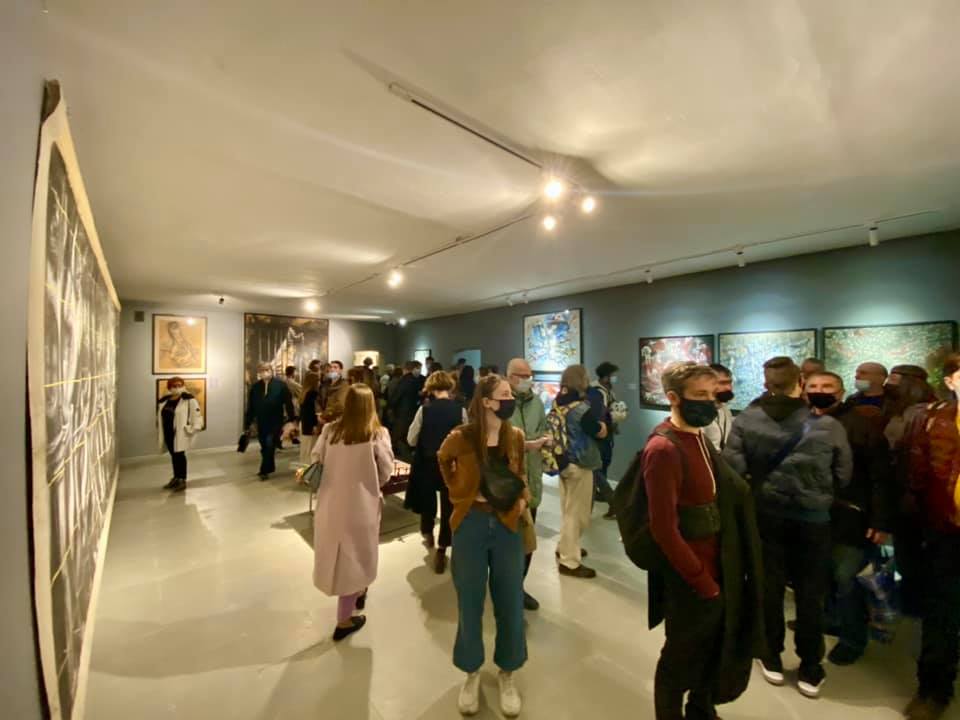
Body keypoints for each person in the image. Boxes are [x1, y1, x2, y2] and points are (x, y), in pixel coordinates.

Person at [723, 356, 852, 699]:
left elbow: (733, 469)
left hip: (765, 514)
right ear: (800, 383)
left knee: (769, 587)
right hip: (813, 518)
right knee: (811, 592)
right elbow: (844, 474)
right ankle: (811, 665)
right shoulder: (827, 425)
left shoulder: (746, 420)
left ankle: (771, 656)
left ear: (766, 384)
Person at [642, 361, 763, 720]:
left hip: (717, 565)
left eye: (712, 394)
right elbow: (664, 529)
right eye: (699, 395)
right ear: (673, 397)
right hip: (691, 575)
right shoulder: (664, 448)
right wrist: (702, 581)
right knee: (678, 659)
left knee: (712, 648)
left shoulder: (698, 438)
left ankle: (701, 708)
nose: (710, 402)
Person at [437, 374, 531, 717]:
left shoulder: (514, 436)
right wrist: (460, 493)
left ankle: (508, 671)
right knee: (470, 599)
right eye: (504, 394)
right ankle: (471, 671)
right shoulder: (461, 437)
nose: (510, 399)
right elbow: (443, 461)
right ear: (487, 401)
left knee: (510, 600)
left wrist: (523, 500)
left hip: (507, 524)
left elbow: (520, 473)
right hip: (471, 524)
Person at [806, 371, 893, 666]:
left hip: (851, 515)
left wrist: (880, 521)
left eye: (827, 386)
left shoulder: (861, 427)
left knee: (847, 579)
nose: (820, 391)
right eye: (813, 386)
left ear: (841, 392)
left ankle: (853, 638)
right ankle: (832, 620)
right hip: (812, 513)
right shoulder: (800, 422)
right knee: (822, 574)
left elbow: (881, 477)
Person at [310, 384, 395, 641]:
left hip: (330, 503)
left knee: (339, 556)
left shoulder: (330, 431)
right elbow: (386, 470)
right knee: (357, 555)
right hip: (362, 504)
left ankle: (356, 593)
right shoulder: (377, 434)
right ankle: (344, 619)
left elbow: (316, 459)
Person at [904, 353, 960, 720]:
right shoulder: (932, 421)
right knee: (942, 612)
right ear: (951, 381)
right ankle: (933, 690)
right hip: (946, 531)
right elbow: (916, 475)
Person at [883, 365, 936, 618]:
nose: (888, 383)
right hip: (899, 489)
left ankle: (918, 606)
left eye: (894, 379)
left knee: (914, 554)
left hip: (913, 492)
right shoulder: (899, 410)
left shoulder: (922, 413)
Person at [406, 371, 469, 573]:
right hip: (451, 464)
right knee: (449, 505)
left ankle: (427, 532)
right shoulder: (460, 410)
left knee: (427, 499)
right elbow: (465, 438)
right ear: (450, 387)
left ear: (431, 388)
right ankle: (443, 547)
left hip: (427, 462)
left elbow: (411, 439)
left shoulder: (424, 410)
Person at [552, 364, 607, 579]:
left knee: (567, 510)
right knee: (578, 515)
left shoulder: (558, 402)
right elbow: (598, 431)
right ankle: (569, 561)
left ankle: (565, 546)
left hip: (563, 462)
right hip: (581, 464)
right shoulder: (581, 410)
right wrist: (604, 426)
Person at [507, 358, 549, 611]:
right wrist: (522, 445)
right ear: (509, 376)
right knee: (507, 541)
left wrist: (545, 441)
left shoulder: (536, 403)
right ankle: (507, 587)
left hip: (532, 479)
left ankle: (518, 587)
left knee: (527, 541)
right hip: (507, 482)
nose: (526, 380)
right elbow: (491, 440)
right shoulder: (500, 402)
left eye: (529, 375)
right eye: (521, 375)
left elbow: (543, 429)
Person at [245, 362, 296, 480]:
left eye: (267, 369)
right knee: (264, 445)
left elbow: (288, 403)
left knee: (269, 443)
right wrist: (248, 422)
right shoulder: (255, 387)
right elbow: (251, 406)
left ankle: (264, 470)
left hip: (275, 420)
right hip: (261, 421)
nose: (265, 372)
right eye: (262, 370)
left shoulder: (281, 385)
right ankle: (269, 466)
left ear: (271, 370)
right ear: (259, 372)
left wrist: (292, 419)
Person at [156, 377, 204, 491]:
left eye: (179, 385)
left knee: (180, 456)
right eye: (174, 386)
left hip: (180, 433)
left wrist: (193, 428)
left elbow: (196, 416)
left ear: (183, 386)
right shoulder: (165, 400)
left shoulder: (189, 399)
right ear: (169, 387)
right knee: (174, 456)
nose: (177, 387)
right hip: (168, 433)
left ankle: (182, 479)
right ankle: (176, 478)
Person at [587, 361, 619, 518]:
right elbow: (599, 415)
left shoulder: (608, 390)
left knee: (603, 464)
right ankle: (613, 500)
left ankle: (599, 496)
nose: (615, 378)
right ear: (605, 376)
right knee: (596, 469)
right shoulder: (596, 392)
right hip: (600, 435)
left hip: (608, 434)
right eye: (613, 375)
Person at [388, 362, 421, 460]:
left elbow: (397, 395)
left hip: (403, 411)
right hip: (411, 410)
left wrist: (391, 406)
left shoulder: (404, 380)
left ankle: (399, 457)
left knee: (398, 435)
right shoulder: (415, 380)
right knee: (405, 435)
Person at [703, 363, 735, 452]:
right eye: (722, 383)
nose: (729, 388)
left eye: (730, 382)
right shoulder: (699, 413)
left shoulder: (725, 409)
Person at [299, 372, 321, 465]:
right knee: (311, 450)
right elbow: (311, 412)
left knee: (305, 450)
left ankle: (303, 469)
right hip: (310, 425)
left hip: (304, 424)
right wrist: (314, 425)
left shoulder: (304, 394)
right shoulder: (312, 394)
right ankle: (309, 470)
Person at [320, 361, 349, 425]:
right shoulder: (325, 383)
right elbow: (319, 398)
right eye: (331, 367)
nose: (332, 369)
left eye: (335, 367)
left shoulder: (344, 384)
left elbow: (340, 404)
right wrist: (319, 413)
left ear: (341, 370)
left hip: (335, 419)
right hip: (323, 418)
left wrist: (325, 415)